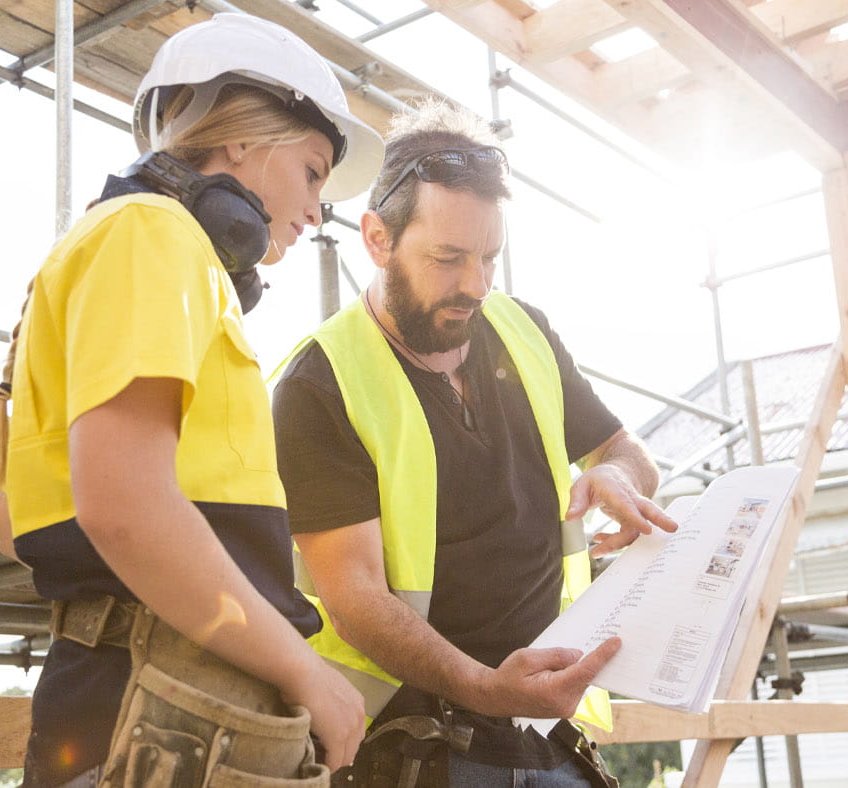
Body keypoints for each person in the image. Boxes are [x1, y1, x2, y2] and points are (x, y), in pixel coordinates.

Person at [0, 14, 384, 787]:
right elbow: (125, 508)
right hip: (161, 705)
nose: (319, 209)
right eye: (315, 171)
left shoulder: (126, 241)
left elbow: (19, 525)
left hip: (134, 695)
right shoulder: (152, 236)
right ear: (242, 140)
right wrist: (305, 670)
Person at [271, 103, 677, 786]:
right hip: (410, 745)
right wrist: (486, 687)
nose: (476, 286)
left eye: (489, 258)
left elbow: (623, 447)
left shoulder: (524, 332)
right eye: (448, 258)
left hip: (548, 730)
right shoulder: (320, 381)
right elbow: (355, 595)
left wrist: (622, 478)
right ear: (377, 238)